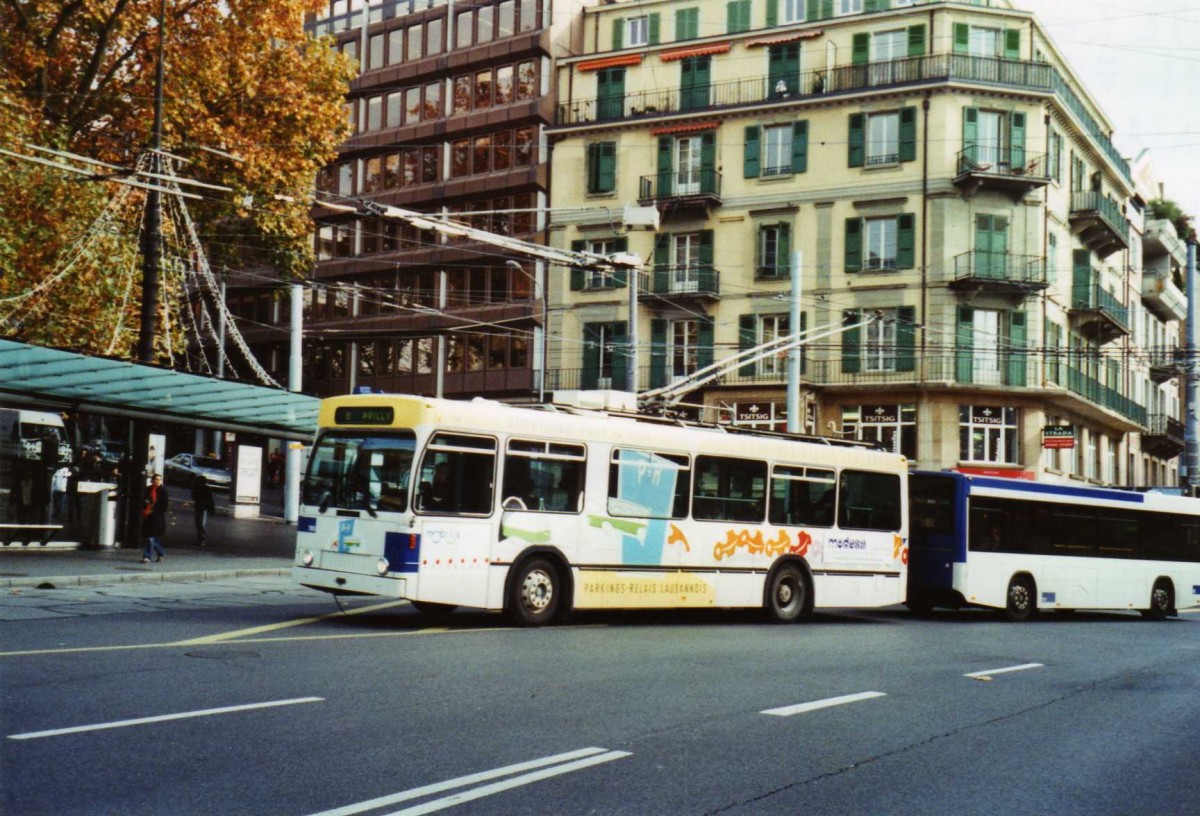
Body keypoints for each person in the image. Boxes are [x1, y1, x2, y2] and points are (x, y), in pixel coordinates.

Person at [140, 472, 169, 563]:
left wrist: (155, 510)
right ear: (152, 480)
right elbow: (144, 501)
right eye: (156, 479)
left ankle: (147, 556)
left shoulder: (163, 491)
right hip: (148, 516)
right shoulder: (148, 490)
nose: (158, 481)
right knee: (151, 537)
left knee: (150, 537)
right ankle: (160, 553)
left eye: (160, 479)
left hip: (157, 518)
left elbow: (164, 505)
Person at [192, 474, 214, 546]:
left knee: (199, 523)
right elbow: (210, 500)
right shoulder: (207, 489)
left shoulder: (196, 489)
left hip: (199, 507)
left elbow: (193, 496)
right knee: (201, 524)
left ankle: (201, 538)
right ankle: (201, 538)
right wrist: (211, 509)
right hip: (204, 508)